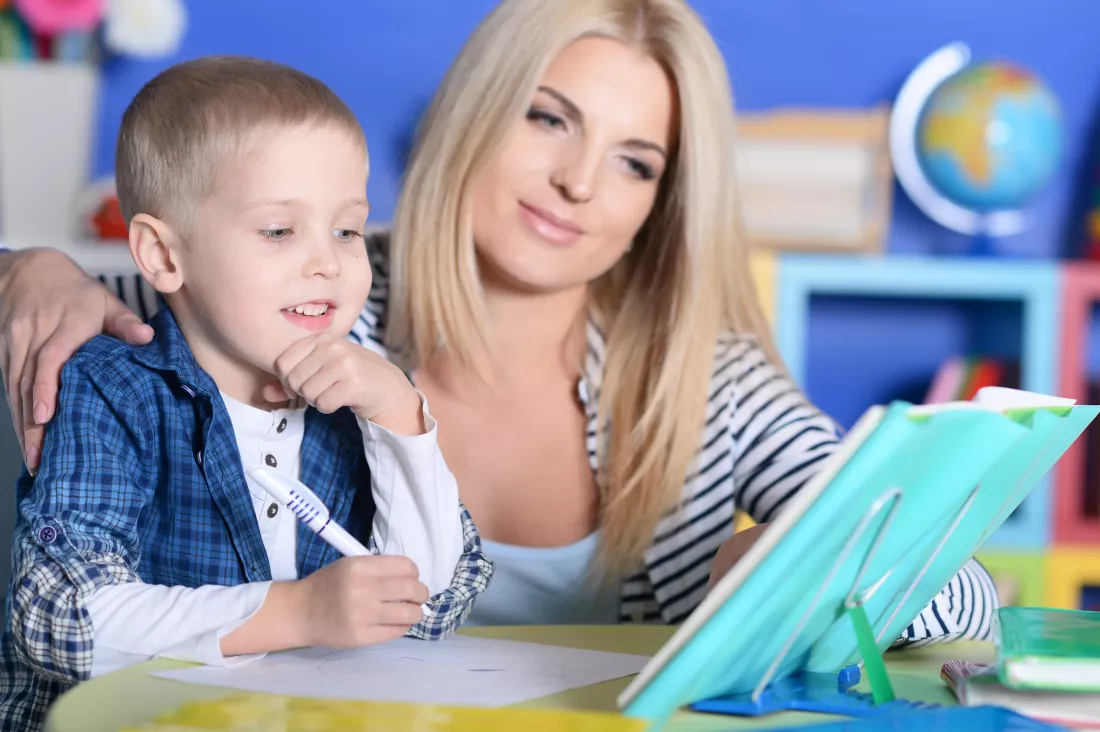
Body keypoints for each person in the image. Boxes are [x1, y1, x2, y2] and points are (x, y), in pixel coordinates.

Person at [0, 0, 996, 640]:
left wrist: (800, 569)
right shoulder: (306, 290)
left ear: (660, 205)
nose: (577, 182)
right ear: (475, 114)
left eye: (635, 162)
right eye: (547, 117)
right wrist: (26, 270)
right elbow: (155, 294)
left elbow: (963, 587)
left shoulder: (707, 378)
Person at [0, 56, 492, 731]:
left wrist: (401, 419)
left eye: (347, 230)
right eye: (278, 231)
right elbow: (58, 616)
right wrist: (297, 612)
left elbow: (431, 606)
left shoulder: (360, 401)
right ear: (164, 256)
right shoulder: (113, 391)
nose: (327, 261)